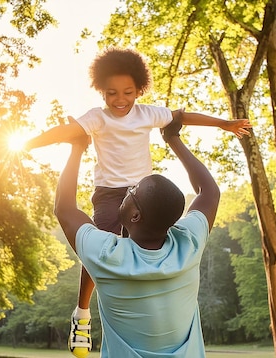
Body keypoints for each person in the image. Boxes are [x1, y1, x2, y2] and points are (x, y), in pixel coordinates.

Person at [26, 47, 251, 357]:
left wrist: (222, 123)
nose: (120, 99)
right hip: (109, 193)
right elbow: (66, 131)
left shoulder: (148, 113)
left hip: (142, 192)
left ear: (139, 89)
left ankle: (97, 309)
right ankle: (82, 312)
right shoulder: (97, 118)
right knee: (95, 246)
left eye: (128, 92)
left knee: (110, 248)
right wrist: (25, 143)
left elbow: (181, 117)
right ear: (100, 91)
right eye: (111, 93)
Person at [53, 116, 221, 357]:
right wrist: (173, 139)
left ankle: (81, 313)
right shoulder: (189, 243)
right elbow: (210, 192)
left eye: (133, 191)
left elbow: (64, 209)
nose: (128, 188)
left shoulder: (106, 255)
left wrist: (77, 148)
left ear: (135, 215)